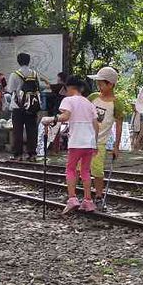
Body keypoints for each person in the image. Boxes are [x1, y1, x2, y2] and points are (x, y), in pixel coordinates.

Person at [42, 75, 98, 213]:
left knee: (71, 169)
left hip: (76, 141)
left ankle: (72, 198)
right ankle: (88, 200)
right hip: (89, 142)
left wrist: (51, 119)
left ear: (68, 88)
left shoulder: (68, 100)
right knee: (85, 171)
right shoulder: (89, 103)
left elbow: (65, 116)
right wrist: (95, 142)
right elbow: (96, 125)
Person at [88, 66, 124, 208]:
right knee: (81, 168)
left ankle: (98, 194)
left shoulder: (116, 103)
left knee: (97, 169)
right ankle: (83, 194)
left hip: (100, 142)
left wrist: (116, 146)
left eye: (101, 83)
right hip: (85, 139)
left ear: (110, 84)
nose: (99, 86)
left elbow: (119, 125)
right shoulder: (93, 97)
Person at [8, 52, 48, 161]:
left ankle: (18, 154)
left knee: (18, 130)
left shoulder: (14, 74)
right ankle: (32, 154)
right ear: (29, 61)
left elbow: (10, 90)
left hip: (18, 106)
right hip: (32, 106)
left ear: (18, 61)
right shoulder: (35, 74)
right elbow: (38, 88)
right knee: (32, 130)